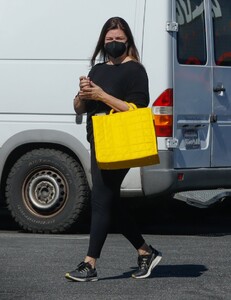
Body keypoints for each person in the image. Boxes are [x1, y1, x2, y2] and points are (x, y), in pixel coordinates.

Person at [65, 16, 162, 282]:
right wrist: (82, 95)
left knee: (101, 198)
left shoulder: (135, 70)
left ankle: (89, 264)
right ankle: (145, 252)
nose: (114, 43)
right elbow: (79, 108)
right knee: (109, 201)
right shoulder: (97, 70)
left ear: (127, 40)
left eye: (119, 39)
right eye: (109, 40)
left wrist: (101, 96)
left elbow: (137, 110)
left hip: (121, 144)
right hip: (99, 141)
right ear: (102, 41)